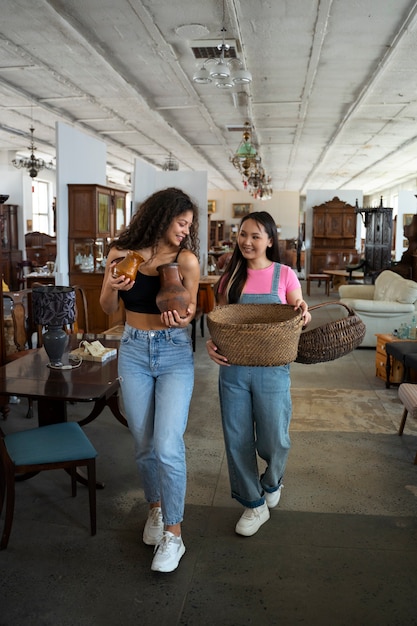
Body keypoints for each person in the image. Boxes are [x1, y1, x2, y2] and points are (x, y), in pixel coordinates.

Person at [100, 187, 200, 572]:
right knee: (142, 443)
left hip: (174, 350)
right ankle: (155, 510)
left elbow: (188, 311)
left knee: (167, 444)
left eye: (189, 225)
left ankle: (174, 536)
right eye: (180, 223)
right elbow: (108, 310)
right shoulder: (120, 255)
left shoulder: (185, 260)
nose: (184, 231)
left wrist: (183, 318)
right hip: (134, 349)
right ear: (161, 217)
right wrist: (112, 285)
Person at [206, 211, 311, 537]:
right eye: (243, 235)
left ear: (269, 240)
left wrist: (302, 313)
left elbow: (298, 309)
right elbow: (220, 320)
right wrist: (211, 344)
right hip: (233, 370)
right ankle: (253, 504)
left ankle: (272, 480)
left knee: (275, 439)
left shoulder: (284, 275)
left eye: (255, 236)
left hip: (273, 370)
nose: (247, 241)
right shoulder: (229, 277)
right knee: (237, 439)